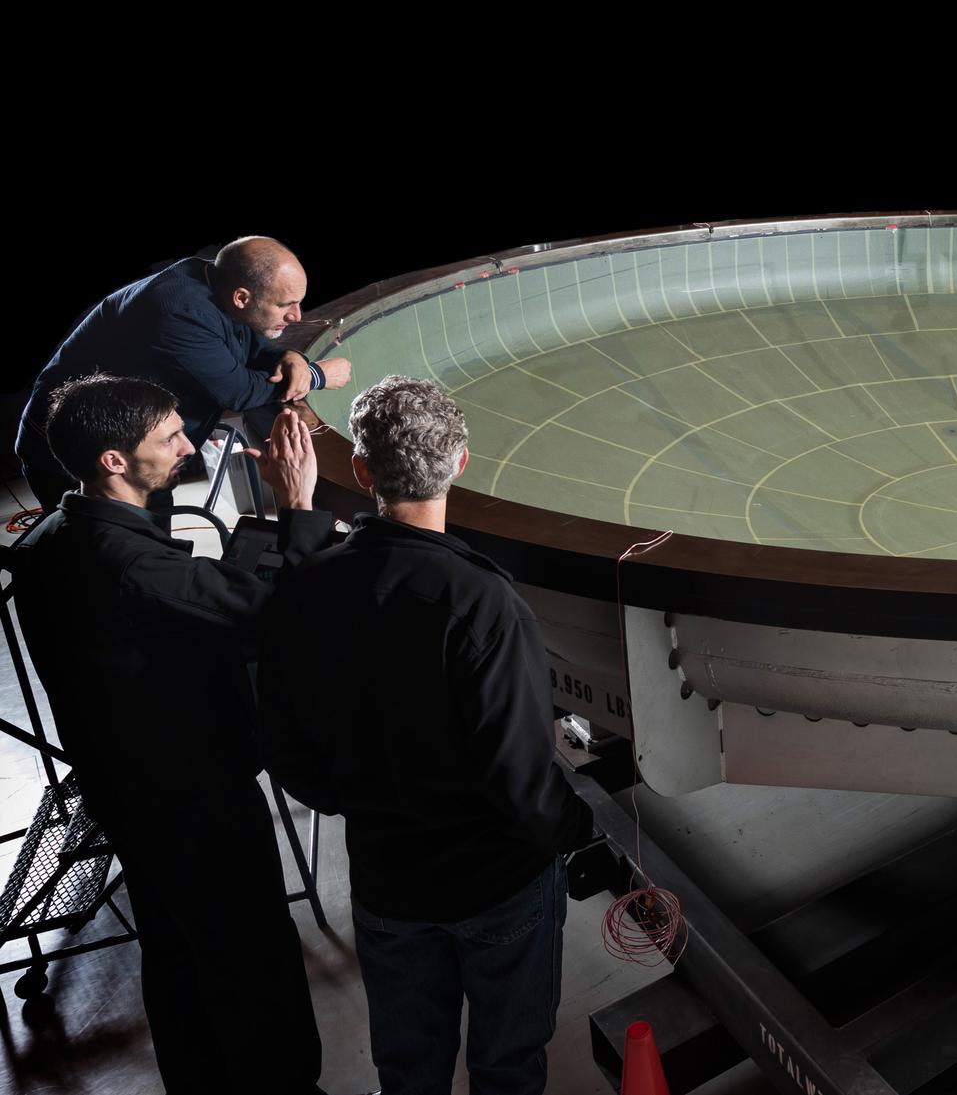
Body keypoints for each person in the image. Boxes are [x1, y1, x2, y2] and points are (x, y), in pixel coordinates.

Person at [258, 375, 597, 1095]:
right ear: (461, 462)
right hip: (498, 883)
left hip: (390, 883)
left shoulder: (308, 588)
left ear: (361, 471)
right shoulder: (483, 601)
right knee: (507, 1066)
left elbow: (284, 744)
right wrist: (576, 826)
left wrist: (356, 797)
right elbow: (520, 777)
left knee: (409, 1070)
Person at [9, 374, 337, 1094]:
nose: (189, 446)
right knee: (252, 956)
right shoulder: (131, 565)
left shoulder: (48, 537)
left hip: (128, 794)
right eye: (169, 437)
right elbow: (283, 615)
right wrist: (297, 505)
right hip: (194, 799)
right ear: (113, 461)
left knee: (178, 955)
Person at [15, 235, 353, 512]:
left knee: (151, 540)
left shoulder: (218, 281)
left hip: (134, 448)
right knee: (106, 553)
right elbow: (238, 391)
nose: (297, 316)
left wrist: (288, 357)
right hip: (74, 455)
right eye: (285, 305)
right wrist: (317, 376)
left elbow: (252, 343)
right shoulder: (178, 311)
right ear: (241, 297)